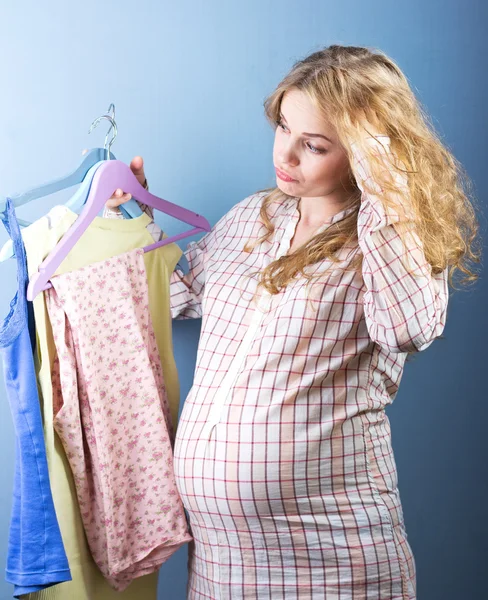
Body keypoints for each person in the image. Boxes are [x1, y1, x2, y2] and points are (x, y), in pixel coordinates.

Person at [107, 45, 480, 600]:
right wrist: (132, 217)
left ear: (362, 154)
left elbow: (410, 328)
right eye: (284, 126)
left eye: (316, 145)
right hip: (221, 564)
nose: (287, 154)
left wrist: (387, 176)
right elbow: (177, 297)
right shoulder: (253, 216)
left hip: (335, 558)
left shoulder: (389, 239)